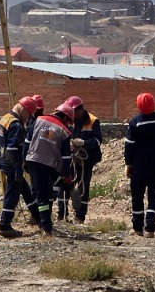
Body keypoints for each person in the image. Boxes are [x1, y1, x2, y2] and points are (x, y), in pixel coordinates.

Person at [123, 91, 155, 237]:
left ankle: (138, 228)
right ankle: (150, 229)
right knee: (153, 196)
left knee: (137, 196)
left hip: (139, 166)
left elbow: (129, 145)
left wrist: (128, 163)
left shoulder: (135, 122)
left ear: (139, 105)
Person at [0, 94, 41, 238]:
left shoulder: (6, 118)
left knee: (25, 189)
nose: (28, 118)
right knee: (12, 193)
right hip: (11, 163)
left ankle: (38, 217)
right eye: (29, 114)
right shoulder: (16, 125)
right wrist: (19, 169)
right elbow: (13, 149)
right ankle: (5, 225)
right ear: (23, 110)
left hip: (2, 159)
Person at [22, 102, 75, 235]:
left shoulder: (38, 121)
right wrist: (67, 175)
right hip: (49, 165)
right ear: (64, 117)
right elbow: (66, 158)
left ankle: (43, 221)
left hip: (33, 161)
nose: (68, 124)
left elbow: (27, 143)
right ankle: (46, 226)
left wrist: (24, 160)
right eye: (68, 121)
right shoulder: (64, 131)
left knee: (40, 191)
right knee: (44, 194)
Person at [55, 95, 103, 224]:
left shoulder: (93, 120)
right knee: (64, 184)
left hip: (86, 159)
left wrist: (84, 143)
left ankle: (80, 216)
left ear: (80, 109)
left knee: (83, 186)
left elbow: (98, 140)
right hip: (69, 157)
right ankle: (62, 214)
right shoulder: (69, 119)